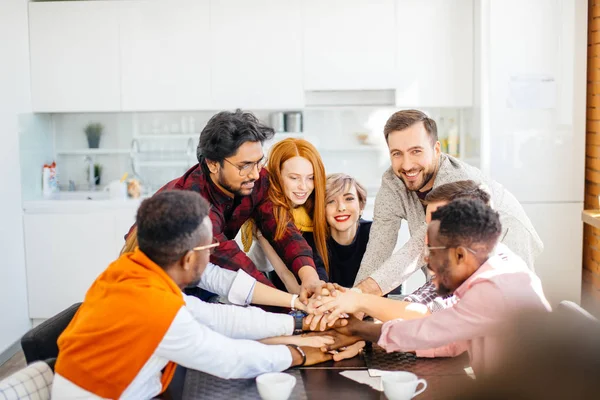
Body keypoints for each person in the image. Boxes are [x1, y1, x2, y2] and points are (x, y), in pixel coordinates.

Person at [52, 191, 357, 399]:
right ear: (187, 259)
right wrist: (305, 353)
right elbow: (230, 360)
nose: (213, 255)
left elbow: (214, 316)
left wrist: (298, 324)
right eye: (211, 249)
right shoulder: (155, 310)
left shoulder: (130, 272)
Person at [322, 199, 551, 377]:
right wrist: (363, 332)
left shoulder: (494, 287)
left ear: (460, 254)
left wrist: (357, 329)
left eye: (433, 253)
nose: (429, 262)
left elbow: (428, 330)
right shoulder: (491, 262)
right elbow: (450, 341)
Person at [128, 110, 324, 303]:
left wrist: (310, 277)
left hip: (204, 269)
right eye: (244, 165)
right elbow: (231, 259)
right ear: (213, 164)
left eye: (258, 163)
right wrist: (290, 307)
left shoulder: (257, 180)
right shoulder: (192, 203)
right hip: (157, 278)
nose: (255, 174)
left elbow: (282, 229)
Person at [353, 109, 543, 297]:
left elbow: (421, 245)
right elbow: (377, 247)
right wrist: (352, 299)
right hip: (456, 256)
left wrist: (360, 296)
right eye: (397, 154)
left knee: (504, 305)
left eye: (416, 151)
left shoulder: (457, 181)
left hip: (507, 234)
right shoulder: (392, 183)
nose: (407, 164)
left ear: (436, 149)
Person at [243, 138, 329, 293]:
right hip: (255, 287)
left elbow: (317, 260)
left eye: (310, 178)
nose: (303, 186)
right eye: (294, 178)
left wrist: (321, 288)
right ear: (276, 175)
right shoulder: (266, 214)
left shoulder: (309, 211)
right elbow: (285, 276)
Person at [324, 173, 372, 288]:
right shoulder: (312, 240)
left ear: (361, 206)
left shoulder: (374, 233)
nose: (341, 207)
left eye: (349, 199)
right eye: (331, 201)